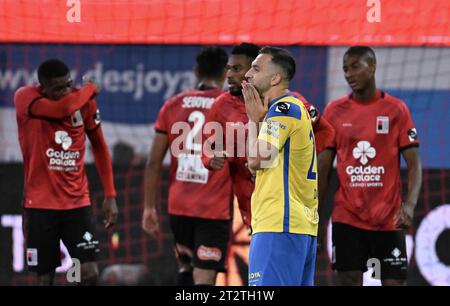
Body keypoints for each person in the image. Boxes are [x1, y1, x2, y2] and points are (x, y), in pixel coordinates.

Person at [202, 43, 334, 236]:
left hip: (283, 210)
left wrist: (305, 166)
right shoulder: (221, 106)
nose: (229, 75)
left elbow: (326, 135)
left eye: (239, 69)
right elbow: (206, 146)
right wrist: (210, 158)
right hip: (253, 209)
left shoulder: (288, 105)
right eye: (228, 68)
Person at [320, 46, 422, 285]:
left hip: (388, 218)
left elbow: (415, 164)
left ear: (373, 66)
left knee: (395, 283)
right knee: (349, 280)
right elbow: (323, 167)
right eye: (345, 68)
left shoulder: (396, 109)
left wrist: (409, 205)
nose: (349, 74)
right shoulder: (334, 111)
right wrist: (315, 215)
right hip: (348, 216)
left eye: (355, 66)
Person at [14, 59, 118, 285]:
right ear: (43, 87)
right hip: (40, 205)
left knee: (89, 273)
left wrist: (110, 195)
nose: (65, 92)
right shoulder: (25, 97)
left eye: (68, 85)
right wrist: (90, 88)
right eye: (58, 88)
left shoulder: (85, 103)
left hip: (77, 204)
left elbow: (99, 146)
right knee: (45, 278)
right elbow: (63, 109)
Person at [142, 47, 233, 286]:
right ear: (225, 73)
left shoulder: (173, 104)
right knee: (203, 279)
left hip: (179, 207)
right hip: (212, 210)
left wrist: (149, 207)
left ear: (196, 71)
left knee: (185, 269)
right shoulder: (229, 106)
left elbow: (153, 161)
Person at [242, 47, 318, 286]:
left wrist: (254, 120)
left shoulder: (283, 109)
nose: (247, 75)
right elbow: (256, 164)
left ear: (275, 78)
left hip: (280, 224)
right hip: (297, 227)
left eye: (256, 68)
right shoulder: (290, 109)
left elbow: (256, 161)